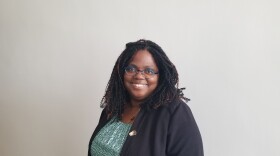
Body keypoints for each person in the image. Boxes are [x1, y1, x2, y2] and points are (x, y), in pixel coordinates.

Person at [88, 39, 203, 156]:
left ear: (161, 76)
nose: (138, 75)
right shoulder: (113, 108)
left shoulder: (175, 112)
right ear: (121, 72)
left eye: (149, 71)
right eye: (131, 69)